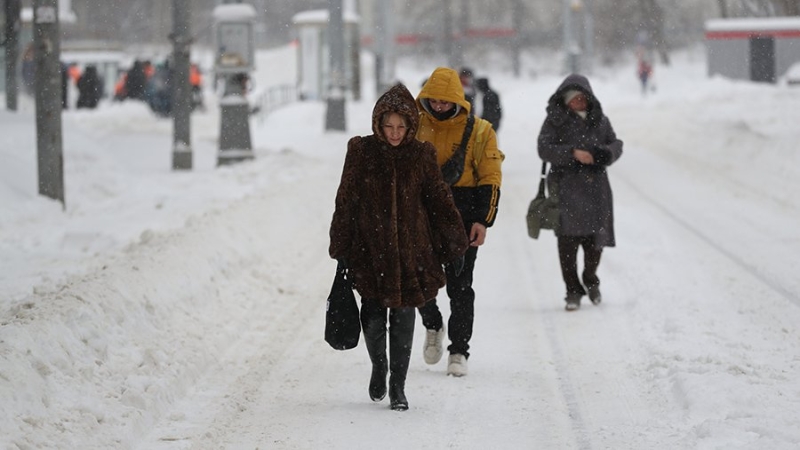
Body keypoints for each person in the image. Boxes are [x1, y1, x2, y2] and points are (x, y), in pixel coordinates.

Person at [329, 83, 469, 411]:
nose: (394, 133)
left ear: (410, 127)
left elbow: (439, 201)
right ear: (379, 124)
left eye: (401, 127)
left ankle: (398, 384)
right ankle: (379, 365)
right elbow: (345, 200)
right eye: (388, 126)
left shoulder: (421, 155)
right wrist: (342, 246)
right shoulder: (361, 152)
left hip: (412, 252)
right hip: (370, 249)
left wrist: (454, 246)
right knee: (374, 317)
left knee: (405, 317)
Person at [415, 67, 504, 377]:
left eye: (444, 101)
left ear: (458, 99)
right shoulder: (414, 126)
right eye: (434, 101)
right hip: (422, 214)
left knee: (460, 285)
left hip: (462, 215)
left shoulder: (480, 131)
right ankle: (432, 323)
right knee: (418, 278)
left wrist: (483, 220)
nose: (439, 107)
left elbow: (490, 177)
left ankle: (458, 350)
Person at [536, 74, 623, 311]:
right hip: (566, 188)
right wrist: (572, 154)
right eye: (574, 99)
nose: (579, 103)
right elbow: (544, 149)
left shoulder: (600, 120)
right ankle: (572, 291)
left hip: (596, 188)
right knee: (567, 243)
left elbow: (616, 144)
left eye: (583, 98)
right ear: (565, 100)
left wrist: (602, 154)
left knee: (596, 241)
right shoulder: (554, 121)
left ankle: (591, 279)